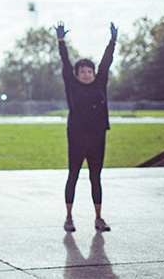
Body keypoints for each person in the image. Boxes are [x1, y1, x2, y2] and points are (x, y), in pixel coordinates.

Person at [55, 21, 117, 233]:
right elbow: (65, 62)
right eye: (82, 71)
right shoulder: (72, 86)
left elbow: (106, 62)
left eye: (89, 71)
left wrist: (112, 41)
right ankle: (69, 217)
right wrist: (61, 41)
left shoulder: (100, 83)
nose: (87, 74)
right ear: (76, 74)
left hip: (98, 137)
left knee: (95, 177)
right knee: (73, 174)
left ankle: (99, 218)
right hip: (77, 137)